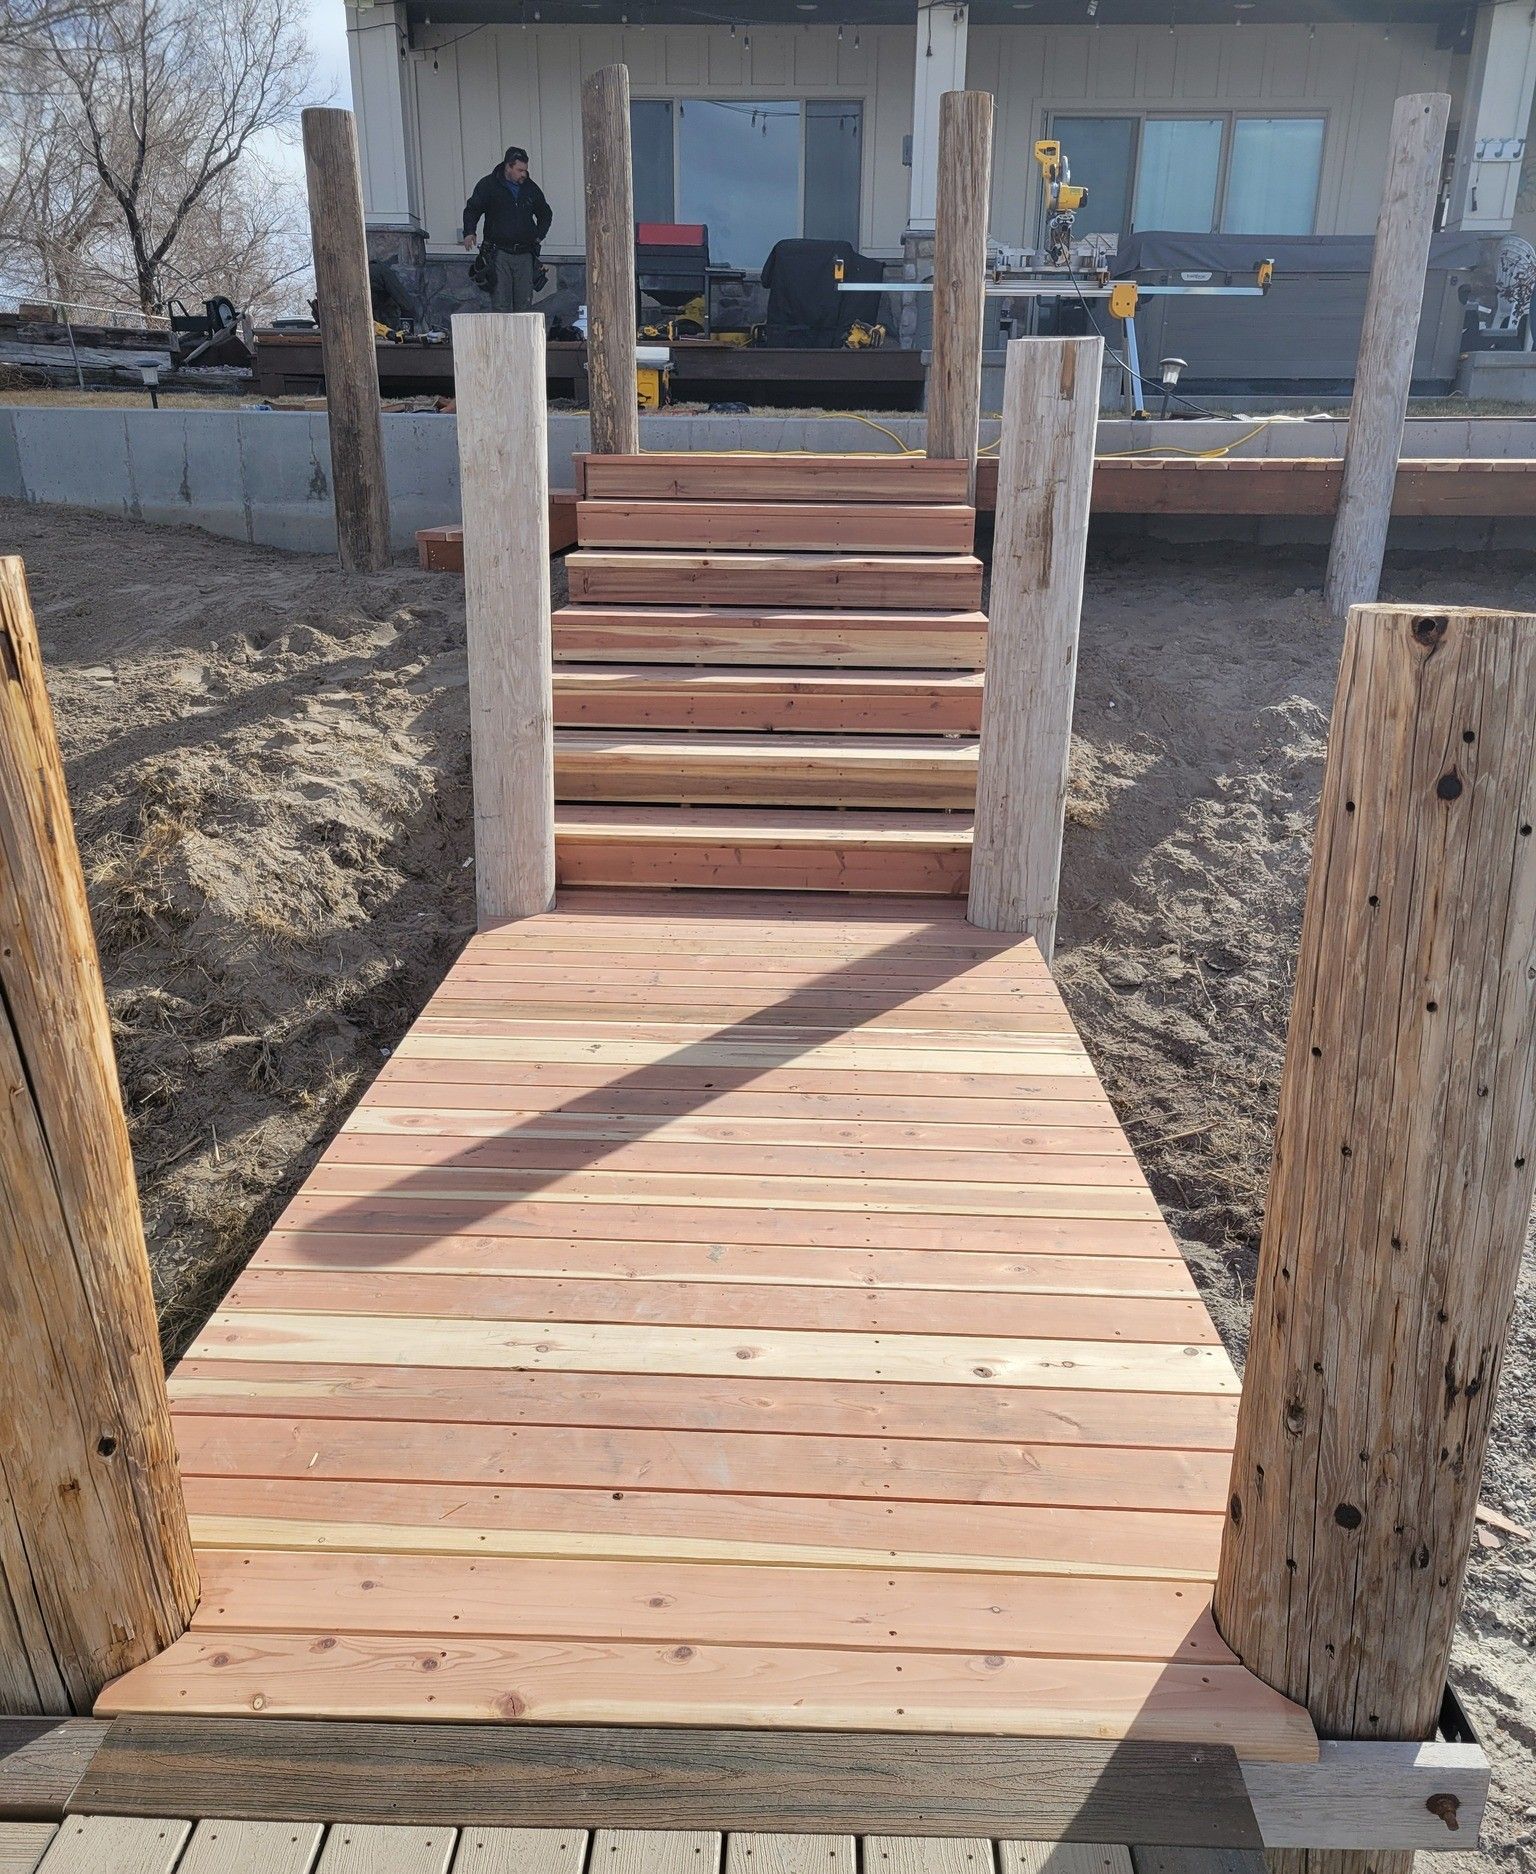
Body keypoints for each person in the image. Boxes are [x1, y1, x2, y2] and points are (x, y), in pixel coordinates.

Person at [462, 146, 553, 313]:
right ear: (508, 167)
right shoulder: (488, 185)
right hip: (499, 253)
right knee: (501, 305)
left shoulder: (531, 189)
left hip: (525, 254)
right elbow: (472, 209)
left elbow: (545, 213)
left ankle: (523, 340)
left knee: (524, 307)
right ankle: (501, 340)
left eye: (525, 170)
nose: (524, 174)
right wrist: (469, 232)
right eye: (519, 170)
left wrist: (539, 236)